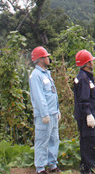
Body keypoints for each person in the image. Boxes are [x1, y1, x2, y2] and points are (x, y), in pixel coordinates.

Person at [29, 46, 62, 174]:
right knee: (42, 141)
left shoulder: (46, 73)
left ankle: (52, 164)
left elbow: (52, 94)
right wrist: (44, 114)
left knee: (54, 139)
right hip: (44, 115)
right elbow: (39, 96)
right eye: (46, 57)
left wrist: (57, 111)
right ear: (40, 59)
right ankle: (40, 168)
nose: (48, 58)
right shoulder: (35, 76)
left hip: (53, 113)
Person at [73, 49, 95, 174]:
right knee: (91, 144)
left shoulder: (85, 77)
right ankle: (94, 169)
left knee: (86, 143)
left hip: (87, 115)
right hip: (87, 117)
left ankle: (86, 169)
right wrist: (88, 114)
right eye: (91, 61)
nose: (93, 63)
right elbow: (83, 99)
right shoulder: (83, 79)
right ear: (87, 63)